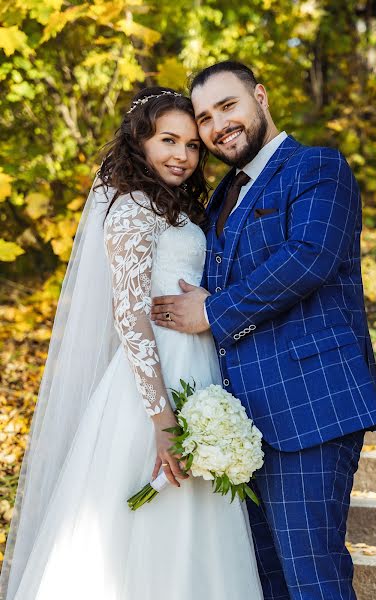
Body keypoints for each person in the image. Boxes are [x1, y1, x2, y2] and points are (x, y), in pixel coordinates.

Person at [0, 87, 263, 600]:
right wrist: (163, 422)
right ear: (140, 141)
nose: (182, 156)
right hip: (152, 385)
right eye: (168, 140)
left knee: (198, 518)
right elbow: (129, 316)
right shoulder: (131, 208)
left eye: (192, 146)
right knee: (146, 520)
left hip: (198, 365)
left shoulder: (175, 209)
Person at [150, 63, 376, 600]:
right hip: (237, 425)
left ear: (260, 96)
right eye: (205, 118)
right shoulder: (218, 198)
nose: (218, 126)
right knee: (264, 584)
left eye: (228, 106)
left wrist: (214, 312)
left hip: (309, 407)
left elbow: (309, 258)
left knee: (312, 578)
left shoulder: (317, 168)